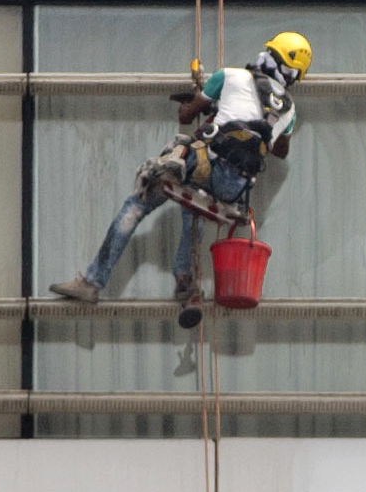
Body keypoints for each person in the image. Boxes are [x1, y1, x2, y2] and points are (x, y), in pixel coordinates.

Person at [50, 31, 309, 324]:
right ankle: (185, 279)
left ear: (268, 55)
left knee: (141, 200)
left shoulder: (230, 76)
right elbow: (280, 152)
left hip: (204, 166)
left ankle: (92, 283)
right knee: (195, 203)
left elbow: (187, 116)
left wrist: (196, 104)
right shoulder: (289, 111)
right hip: (233, 188)